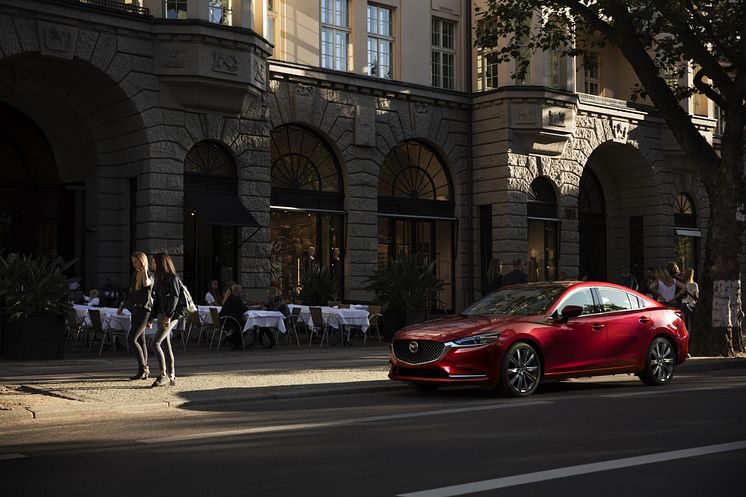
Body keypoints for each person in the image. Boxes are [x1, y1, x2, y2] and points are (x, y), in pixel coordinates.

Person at [118, 251, 154, 381]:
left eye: (136, 261)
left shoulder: (148, 274)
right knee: (141, 341)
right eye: (132, 262)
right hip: (135, 310)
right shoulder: (135, 275)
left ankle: (144, 368)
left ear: (142, 261)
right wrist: (123, 305)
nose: (134, 264)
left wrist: (144, 270)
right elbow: (131, 292)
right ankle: (142, 370)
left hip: (144, 311)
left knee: (131, 339)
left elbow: (146, 284)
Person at [148, 253, 180, 387]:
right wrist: (151, 317)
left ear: (161, 264)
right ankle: (171, 375)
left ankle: (163, 375)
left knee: (155, 343)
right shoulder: (160, 279)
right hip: (162, 314)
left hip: (170, 315)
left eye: (154, 262)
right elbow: (157, 301)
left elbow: (174, 298)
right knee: (165, 345)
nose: (152, 265)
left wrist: (168, 316)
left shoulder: (173, 279)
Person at [219, 284, 248, 350]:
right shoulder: (237, 299)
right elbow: (244, 309)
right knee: (245, 326)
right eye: (241, 291)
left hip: (222, 320)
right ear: (238, 292)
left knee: (240, 325)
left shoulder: (229, 298)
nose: (241, 293)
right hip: (230, 321)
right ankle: (236, 344)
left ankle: (230, 337)